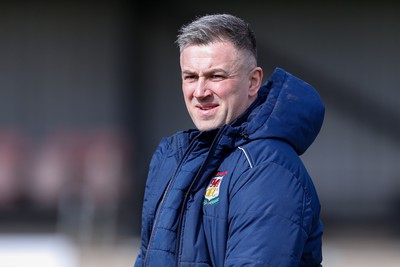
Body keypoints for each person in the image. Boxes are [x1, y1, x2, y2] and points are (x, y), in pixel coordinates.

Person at [135, 13, 324, 267]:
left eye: (216, 76)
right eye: (191, 77)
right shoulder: (173, 159)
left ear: (253, 81)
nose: (200, 92)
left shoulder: (266, 168)